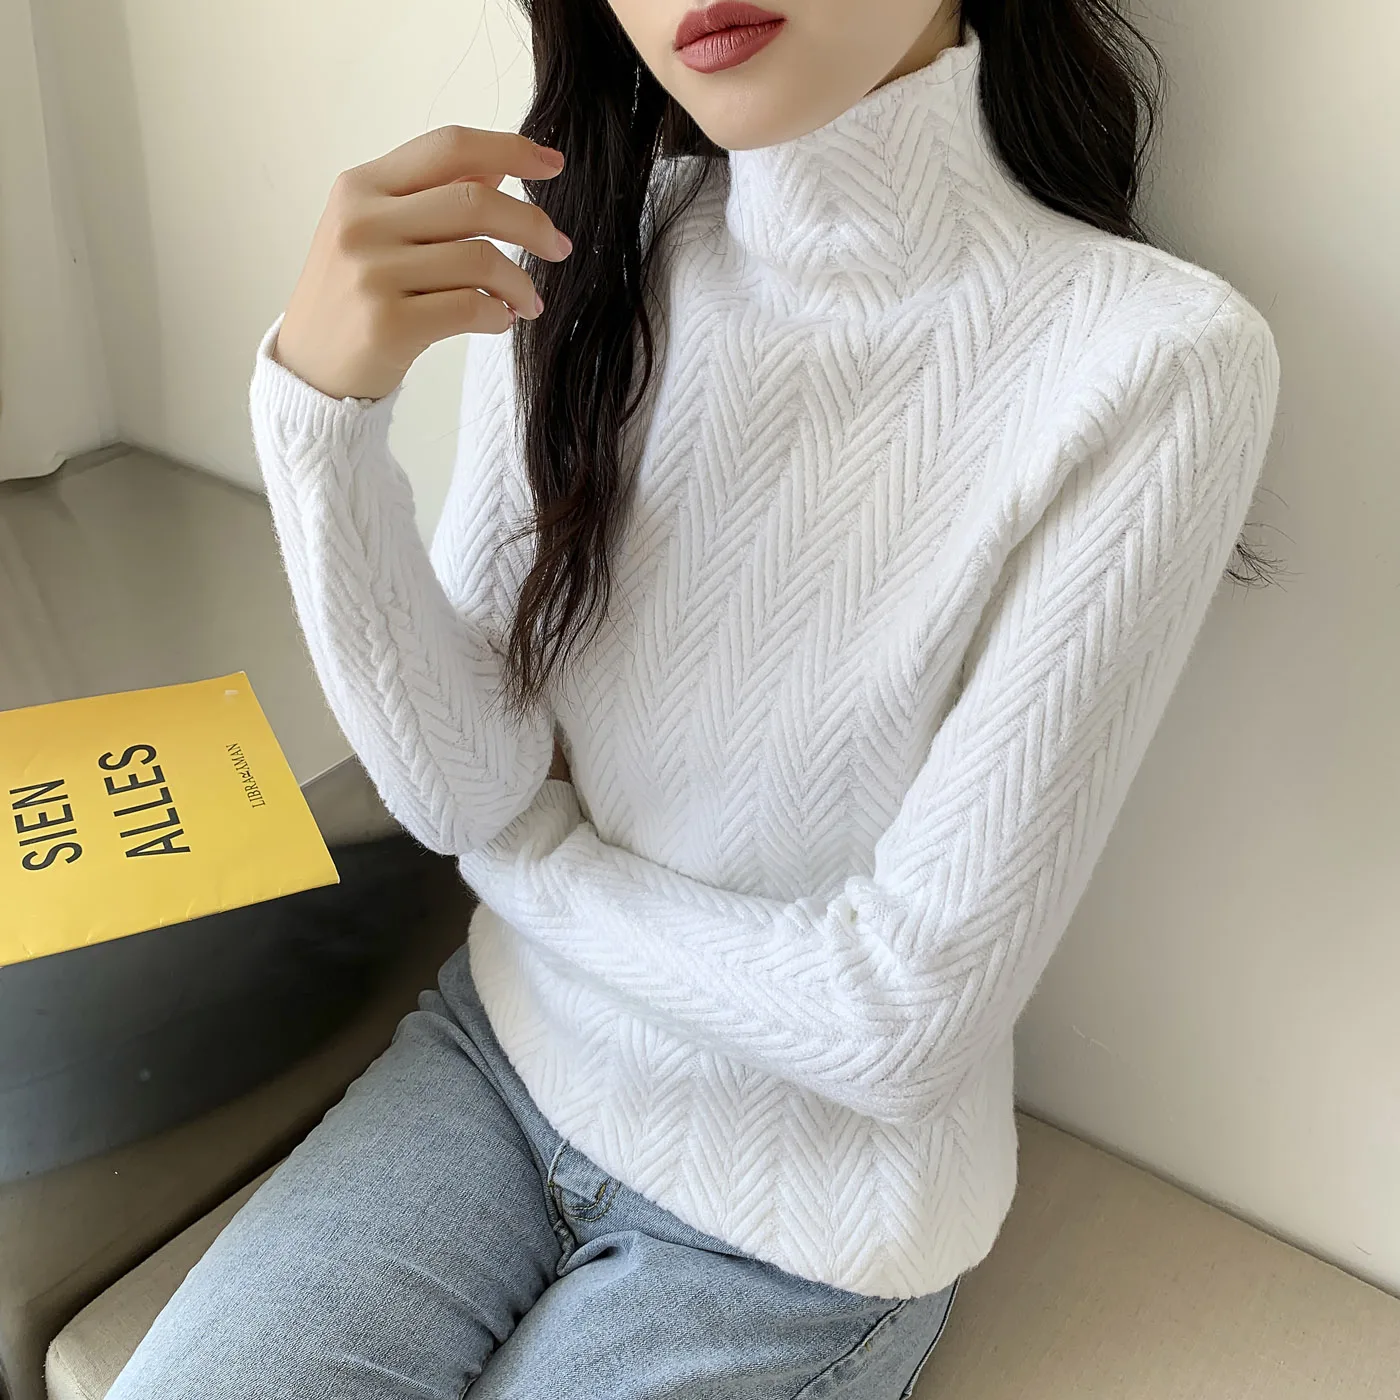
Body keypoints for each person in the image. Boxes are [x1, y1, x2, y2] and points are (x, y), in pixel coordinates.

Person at [108, 0, 1280, 1395]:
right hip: (493, 1065)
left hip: (797, 1225)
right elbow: (465, 791)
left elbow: (897, 1018)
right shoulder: (582, 254)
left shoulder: (1157, 359)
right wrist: (316, 420)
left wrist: (536, 864)